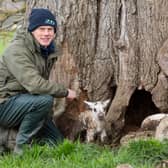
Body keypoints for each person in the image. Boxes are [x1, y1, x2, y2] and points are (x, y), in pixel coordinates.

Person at [0, 8, 76, 155]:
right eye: (41, 29)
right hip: (4, 103)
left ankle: (11, 137)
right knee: (44, 100)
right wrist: (65, 92)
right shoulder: (17, 50)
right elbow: (35, 85)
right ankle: (21, 149)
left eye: (50, 29)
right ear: (32, 30)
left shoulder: (45, 50)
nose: (46, 33)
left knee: (57, 142)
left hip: (25, 102)